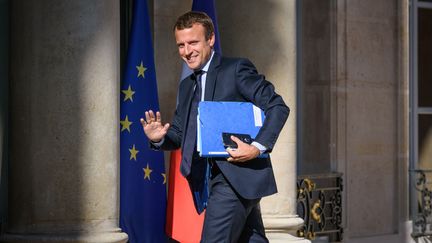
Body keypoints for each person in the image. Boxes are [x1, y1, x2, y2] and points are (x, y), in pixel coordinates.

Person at [140, 11, 289, 243]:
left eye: (193, 42)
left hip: (234, 176)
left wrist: (257, 147)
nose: (187, 51)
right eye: (181, 45)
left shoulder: (236, 69)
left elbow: (278, 106)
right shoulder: (187, 86)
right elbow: (180, 134)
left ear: (210, 40)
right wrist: (159, 137)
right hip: (209, 180)